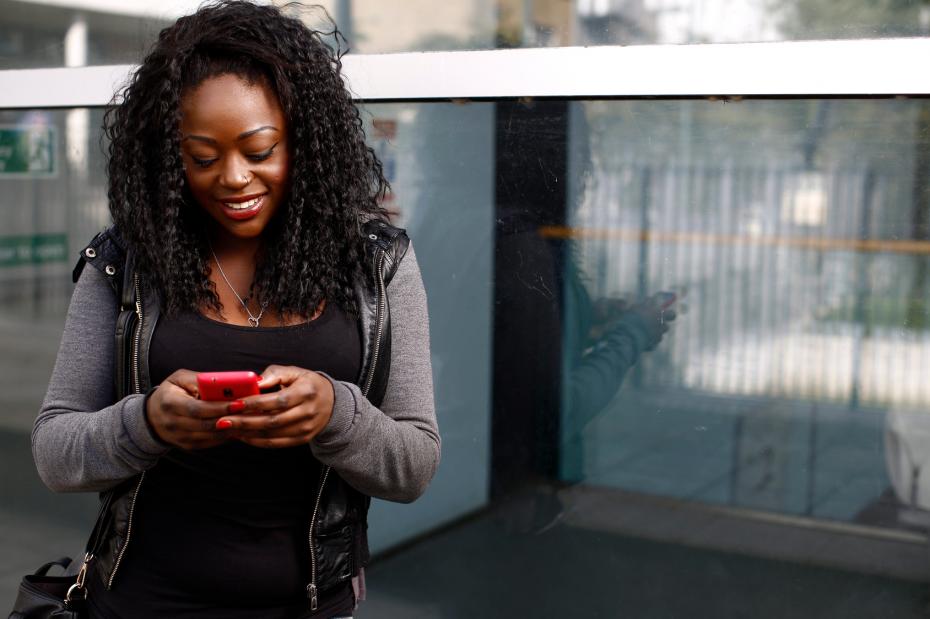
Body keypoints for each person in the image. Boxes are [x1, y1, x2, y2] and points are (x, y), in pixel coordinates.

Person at [31, 2, 439, 618]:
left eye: (259, 149)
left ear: (305, 138)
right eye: (202, 157)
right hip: (140, 602)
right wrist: (147, 423)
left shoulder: (377, 266)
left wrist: (336, 413)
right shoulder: (126, 261)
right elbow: (54, 452)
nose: (233, 178)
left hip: (309, 606)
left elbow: (414, 467)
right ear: (172, 159)